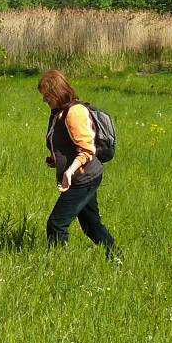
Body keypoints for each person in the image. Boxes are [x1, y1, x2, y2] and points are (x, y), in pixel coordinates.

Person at [38, 69, 116, 258]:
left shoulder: (75, 112)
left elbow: (87, 149)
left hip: (83, 178)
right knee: (92, 225)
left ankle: (57, 266)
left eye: (46, 95)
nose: (44, 100)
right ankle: (116, 257)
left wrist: (69, 170)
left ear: (57, 92)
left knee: (57, 223)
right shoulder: (58, 113)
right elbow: (65, 144)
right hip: (77, 177)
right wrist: (56, 160)